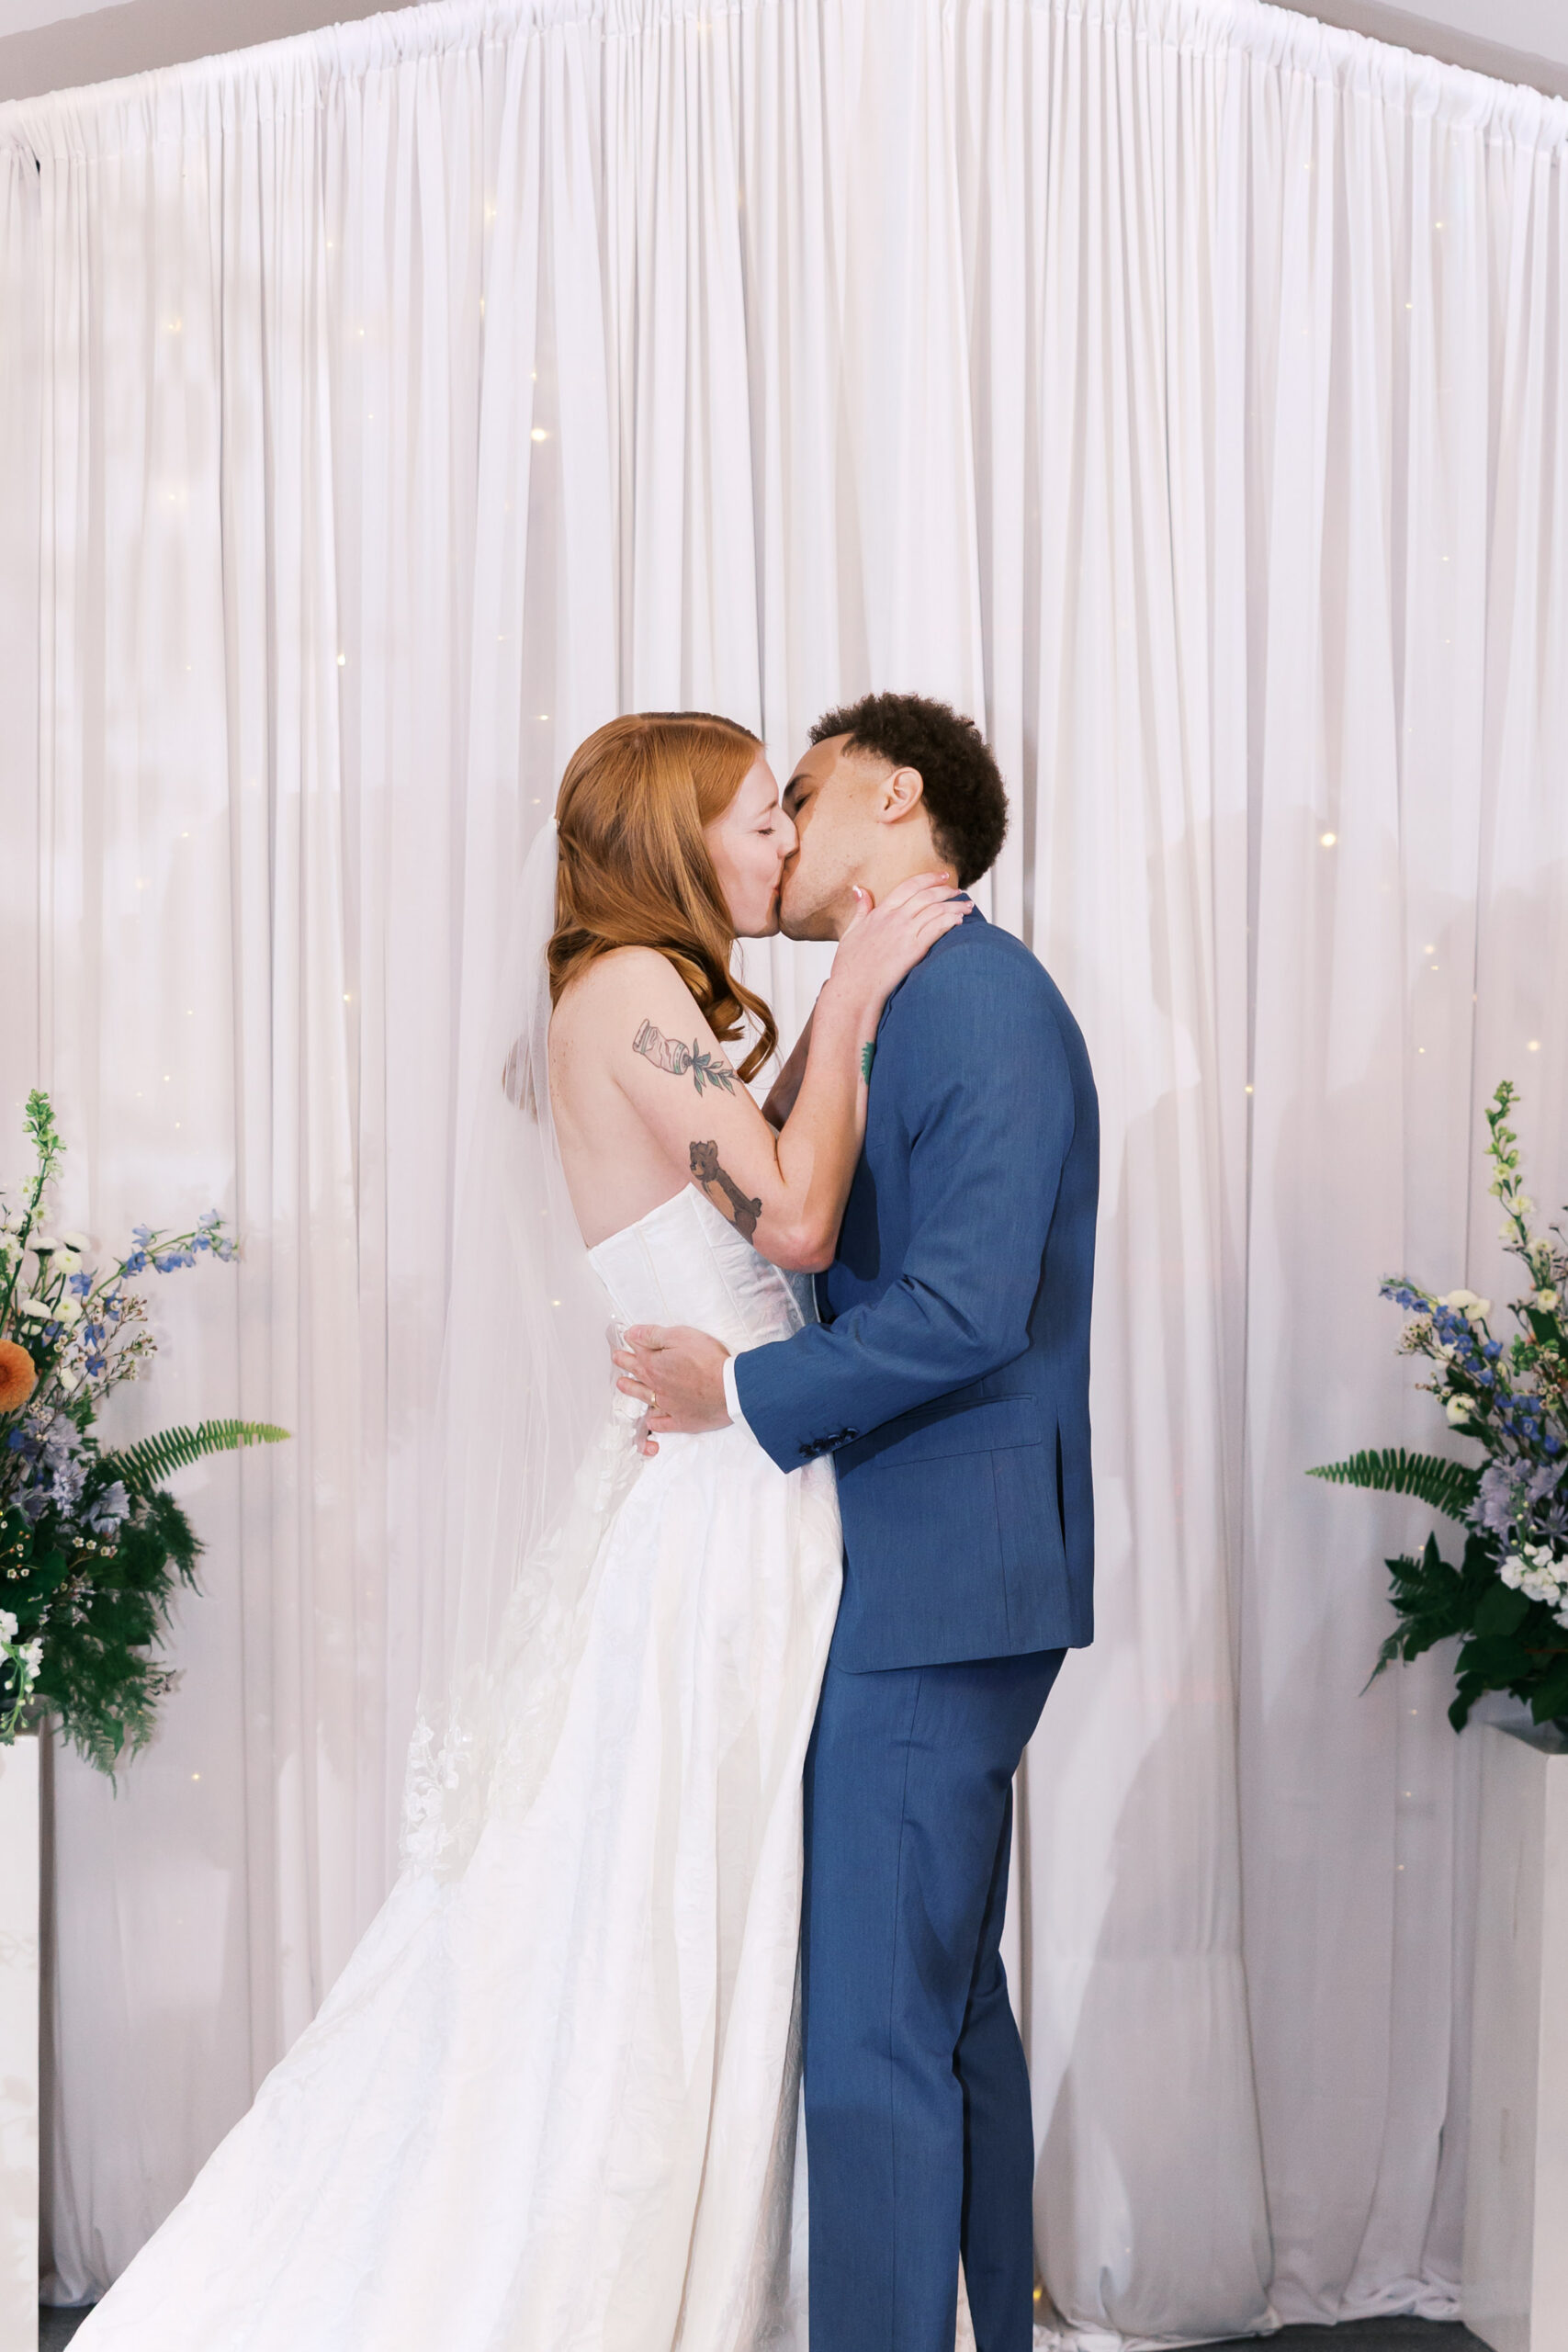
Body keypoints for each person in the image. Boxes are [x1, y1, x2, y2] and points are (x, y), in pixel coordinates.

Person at [71, 710, 965, 2351]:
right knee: (654, 1915)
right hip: (717, 1515)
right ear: (678, 837)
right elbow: (798, 1214)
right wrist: (853, 992)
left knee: (679, 1902)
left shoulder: (636, 998)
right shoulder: (628, 987)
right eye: (761, 817)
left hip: (722, 1481)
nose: (783, 846)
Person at [614, 693, 1100, 2352]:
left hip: (938, 1577)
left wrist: (742, 1400)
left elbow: (966, 1306)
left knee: (879, 2029)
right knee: (945, 2009)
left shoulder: (974, 1001)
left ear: (897, 800)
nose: (777, 830)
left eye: (799, 795)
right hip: (918, 1568)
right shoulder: (907, 996)